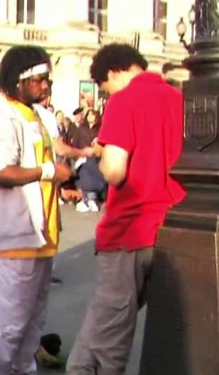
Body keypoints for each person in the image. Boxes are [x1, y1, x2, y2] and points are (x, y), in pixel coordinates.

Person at [67, 43, 185, 375]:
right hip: (171, 228)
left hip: (130, 230)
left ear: (114, 72)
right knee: (107, 317)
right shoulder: (180, 99)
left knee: (111, 335)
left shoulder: (125, 100)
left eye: (105, 88)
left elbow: (115, 170)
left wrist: (103, 154)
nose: (107, 95)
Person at [0, 45, 72, 374]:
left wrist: (59, 182)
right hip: (14, 240)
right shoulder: (5, 119)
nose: (46, 86)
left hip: (39, 239)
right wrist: (47, 172)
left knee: (30, 325)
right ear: (18, 81)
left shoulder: (35, 118)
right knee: (6, 325)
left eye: (49, 80)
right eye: (40, 80)